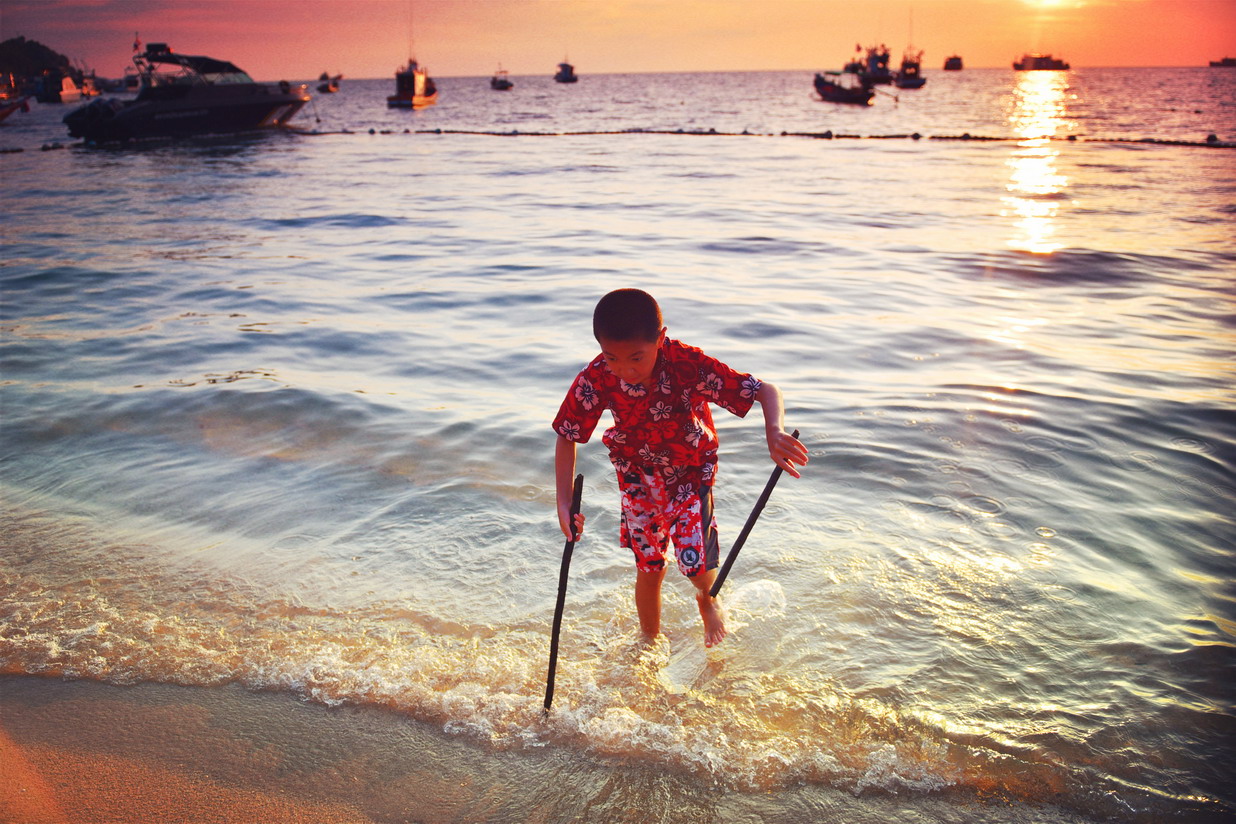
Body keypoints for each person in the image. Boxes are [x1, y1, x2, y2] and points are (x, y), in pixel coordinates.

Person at [552, 289, 808, 648]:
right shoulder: (598, 375)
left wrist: (773, 432)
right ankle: (648, 641)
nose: (625, 370)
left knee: (696, 564)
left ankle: (707, 600)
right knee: (649, 565)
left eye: (636, 358)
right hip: (636, 475)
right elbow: (567, 435)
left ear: (660, 338)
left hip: (689, 471)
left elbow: (765, 390)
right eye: (612, 357)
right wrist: (564, 503)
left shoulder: (687, 363)